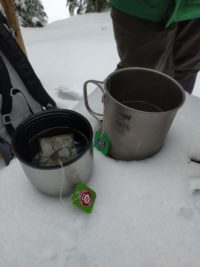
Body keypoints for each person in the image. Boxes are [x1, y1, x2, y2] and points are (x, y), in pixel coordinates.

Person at [109, 0, 200, 94]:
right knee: (140, 77)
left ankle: (174, 107)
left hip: (196, 9)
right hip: (143, 8)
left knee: (186, 72)